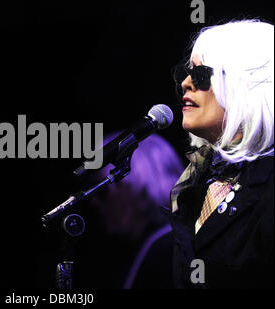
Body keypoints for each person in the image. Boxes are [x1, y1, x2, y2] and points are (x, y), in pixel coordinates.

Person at [168, 20, 274, 288]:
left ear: (247, 85)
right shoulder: (196, 183)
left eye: (202, 74)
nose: (186, 83)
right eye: (186, 72)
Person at [85, 133, 184, 288]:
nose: (94, 202)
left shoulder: (166, 253)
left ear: (138, 187)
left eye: (102, 192)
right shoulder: (161, 247)